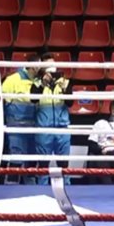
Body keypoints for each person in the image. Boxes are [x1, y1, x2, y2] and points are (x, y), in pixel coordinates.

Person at [32, 53, 73, 185]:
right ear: (43, 69)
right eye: (48, 66)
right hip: (44, 129)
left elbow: (70, 104)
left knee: (64, 164)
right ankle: (41, 191)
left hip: (62, 129)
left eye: (53, 65)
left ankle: (68, 190)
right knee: (43, 164)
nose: (52, 68)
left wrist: (64, 89)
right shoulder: (37, 83)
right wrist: (43, 84)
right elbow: (33, 99)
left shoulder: (65, 82)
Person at [1, 53, 42, 184]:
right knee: (16, 157)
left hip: (34, 125)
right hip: (16, 125)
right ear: (33, 66)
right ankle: (10, 187)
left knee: (31, 158)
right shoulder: (12, 79)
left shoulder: (39, 82)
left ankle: (31, 188)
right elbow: (3, 100)